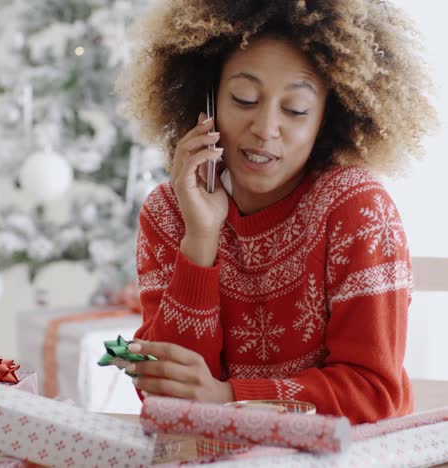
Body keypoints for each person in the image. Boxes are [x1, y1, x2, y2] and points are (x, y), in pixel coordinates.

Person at [116, 0, 438, 424]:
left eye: (296, 110)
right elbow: (167, 399)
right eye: (243, 99)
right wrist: (200, 238)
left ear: (329, 116)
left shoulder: (358, 210)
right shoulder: (170, 213)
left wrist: (230, 398)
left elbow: (373, 394)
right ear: (207, 100)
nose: (266, 128)